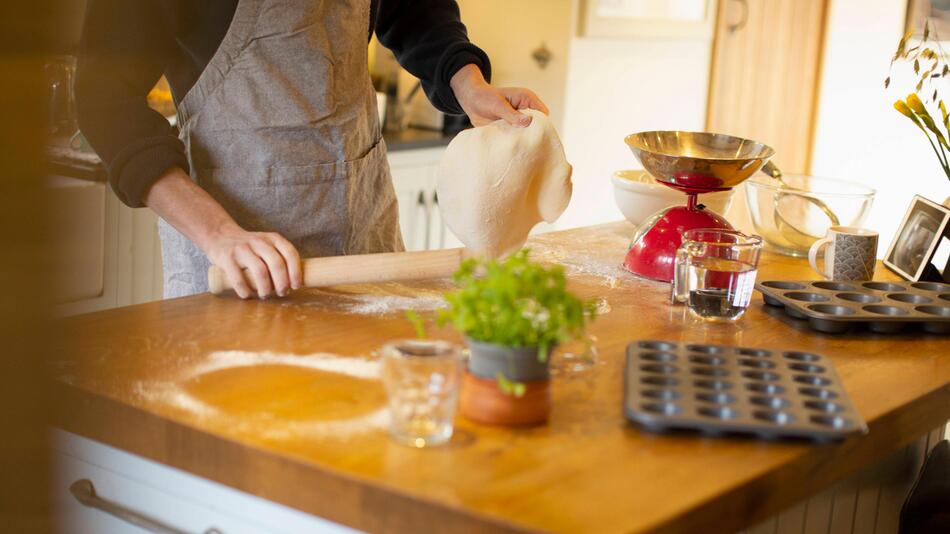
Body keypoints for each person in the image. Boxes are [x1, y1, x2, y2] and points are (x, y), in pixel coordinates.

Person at [76, 0, 548, 299]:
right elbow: (102, 97)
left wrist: (469, 85)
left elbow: (416, 10)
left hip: (366, 249)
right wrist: (220, 235)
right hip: (235, 267)